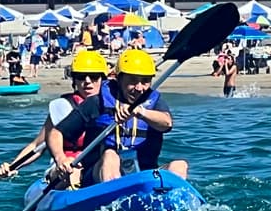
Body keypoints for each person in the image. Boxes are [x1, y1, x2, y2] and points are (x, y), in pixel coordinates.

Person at [47, 48, 186, 188]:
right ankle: (113, 200)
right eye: (132, 81)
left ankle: (171, 199)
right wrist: (60, 158)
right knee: (110, 155)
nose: (139, 88)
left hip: (144, 174)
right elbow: (56, 133)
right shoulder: (97, 102)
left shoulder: (154, 102)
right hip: (97, 176)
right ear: (118, 78)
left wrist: (140, 112)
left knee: (179, 165)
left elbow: (166, 123)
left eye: (145, 81)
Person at [0, 49, 108, 184]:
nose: (87, 81)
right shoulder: (62, 107)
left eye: (94, 76)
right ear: (74, 80)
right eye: (81, 76)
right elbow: (37, 146)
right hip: (65, 166)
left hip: (96, 164)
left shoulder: (113, 106)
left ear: (103, 79)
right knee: (73, 169)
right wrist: (13, 166)